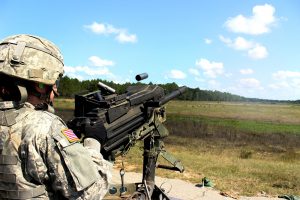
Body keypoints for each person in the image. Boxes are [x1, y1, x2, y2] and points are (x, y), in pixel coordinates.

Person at [0, 34, 111, 199]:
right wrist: (93, 142)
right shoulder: (46, 127)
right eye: (54, 84)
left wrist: (68, 136)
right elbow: (91, 192)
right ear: (40, 85)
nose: (55, 92)